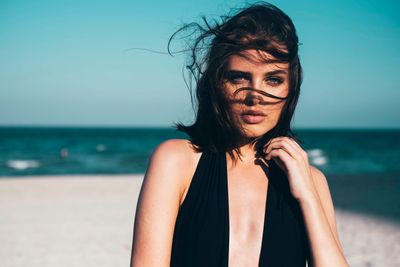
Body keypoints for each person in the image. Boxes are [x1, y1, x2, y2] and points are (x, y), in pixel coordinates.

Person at [130, 2, 349, 267]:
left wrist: (307, 195)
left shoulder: (311, 181)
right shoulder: (177, 162)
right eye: (238, 77)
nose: (254, 96)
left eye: (273, 79)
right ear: (217, 83)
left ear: (291, 87)